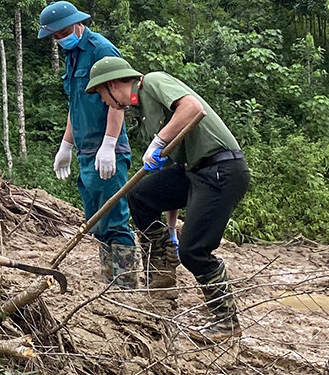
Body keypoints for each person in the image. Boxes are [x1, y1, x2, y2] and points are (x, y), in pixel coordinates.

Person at [85, 57, 250, 336]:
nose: (104, 101)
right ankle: (162, 264)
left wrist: (160, 141)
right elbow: (174, 167)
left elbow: (192, 107)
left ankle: (226, 320)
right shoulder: (143, 113)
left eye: (101, 94)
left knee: (194, 250)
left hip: (220, 169)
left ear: (112, 84)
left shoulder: (153, 82)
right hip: (192, 171)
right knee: (142, 196)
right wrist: (170, 229)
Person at [38, 0, 137, 287]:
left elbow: (121, 99)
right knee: (96, 218)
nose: (59, 39)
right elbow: (75, 103)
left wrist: (109, 144)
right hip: (86, 150)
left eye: (61, 33)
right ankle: (109, 280)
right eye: (55, 36)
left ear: (77, 24)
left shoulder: (101, 50)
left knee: (115, 216)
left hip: (108, 150)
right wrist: (66, 145)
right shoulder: (71, 55)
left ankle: (125, 284)